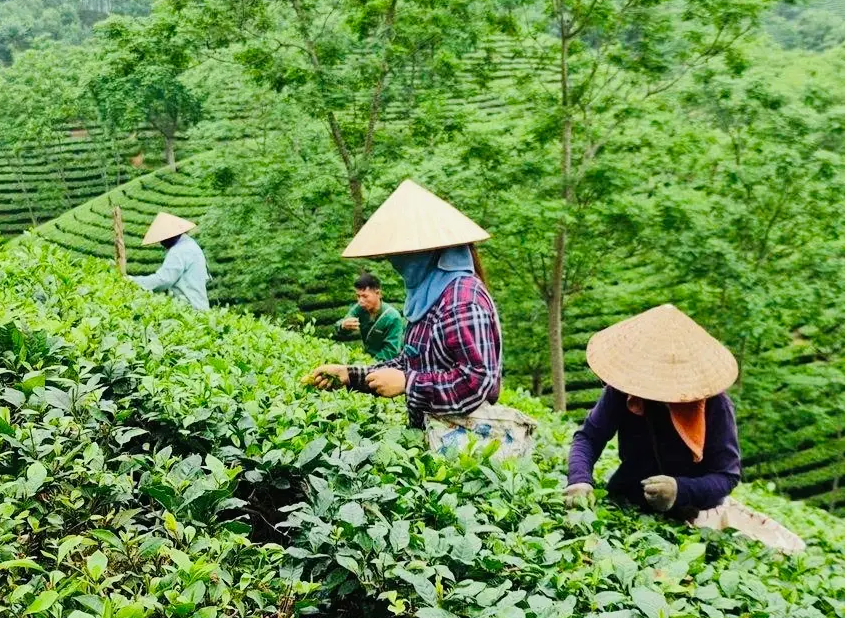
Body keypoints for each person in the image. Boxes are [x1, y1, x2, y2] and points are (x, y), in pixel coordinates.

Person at [565, 304, 804, 554]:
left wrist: (679, 490)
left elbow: (726, 476)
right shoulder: (625, 389)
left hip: (694, 511)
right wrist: (580, 480)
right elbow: (589, 437)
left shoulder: (715, 405)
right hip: (628, 496)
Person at [305, 180, 516, 438]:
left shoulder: (461, 300)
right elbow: (411, 361)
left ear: (428, 252)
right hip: (431, 439)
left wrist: (409, 383)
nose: (395, 261)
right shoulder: (428, 295)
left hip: (463, 448)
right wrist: (349, 375)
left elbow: (477, 383)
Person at [130, 212, 210, 311]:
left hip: (191, 309)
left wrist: (132, 281)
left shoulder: (179, 250)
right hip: (201, 306)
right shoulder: (191, 244)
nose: (161, 243)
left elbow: (164, 280)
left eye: (163, 239)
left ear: (171, 236)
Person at [334, 272, 404, 360]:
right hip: (368, 359)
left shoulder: (393, 317)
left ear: (378, 294)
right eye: (358, 296)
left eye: (365, 296)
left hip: (388, 362)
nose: (360, 301)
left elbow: (390, 351)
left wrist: (369, 364)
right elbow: (342, 323)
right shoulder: (360, 308)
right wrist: (343, 325)